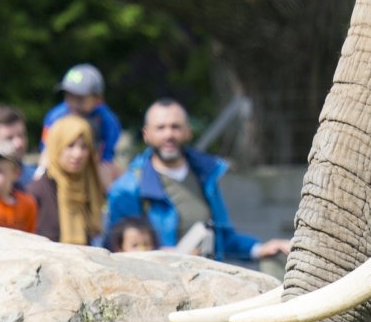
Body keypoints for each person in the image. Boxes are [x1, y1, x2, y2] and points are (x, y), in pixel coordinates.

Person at [105, 99, 291, 264]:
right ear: (146, 135)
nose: (169, 134)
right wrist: (169, 255)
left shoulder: (205, 175)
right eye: (160, 128)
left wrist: (259, 249)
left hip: (208, 281)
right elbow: (119, 253)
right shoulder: (127, 189)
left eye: (175, 127)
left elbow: (222, 238)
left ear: (188, 132)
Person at [27, 114, 103, 244]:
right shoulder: (37, 191)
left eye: (84, 147)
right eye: (70, 145)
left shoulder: (90, 187)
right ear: (56, 146)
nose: (78, 154)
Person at [41, 63, 122, 186]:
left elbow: (108, 151)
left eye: (80, 98)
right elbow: (45, 146)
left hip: (93, 165)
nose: (73, 103)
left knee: (108, 173)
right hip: (61, 164)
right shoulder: (56, 116)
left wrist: (104, 161)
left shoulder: (106, 119)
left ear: (97, 99)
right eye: (69, 96)